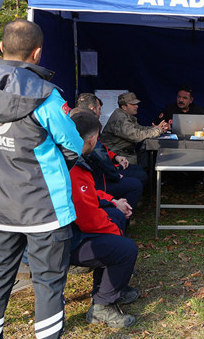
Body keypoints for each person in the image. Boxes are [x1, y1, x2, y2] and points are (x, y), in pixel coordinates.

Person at [0, 19, 83, 339]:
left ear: (2, 48)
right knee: (48, 284)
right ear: (37, 53)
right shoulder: (46, 97)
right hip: (44, 209)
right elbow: (73, 144)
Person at [68, 111, 140, 329]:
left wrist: (113, 201)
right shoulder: (74, 166)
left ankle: (112, 287)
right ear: (92, 139)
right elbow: (89, 219)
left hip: (65, 231)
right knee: (125, 248)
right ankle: (102, 307)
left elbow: (88, 193)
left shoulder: (67, 154)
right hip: (63, 240)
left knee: (117, 217)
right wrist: (114, 231)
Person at [74, 95, 145, 206]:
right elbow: (98, 154)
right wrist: (115, 174)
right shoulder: (88, 125)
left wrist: (115, 156)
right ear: (93, 109)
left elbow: (101, 149)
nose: (100, 113)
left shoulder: (74, 120)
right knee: (136, 182)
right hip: (96, 179)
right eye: (99, 109)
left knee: (139, 171)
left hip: (100, 172)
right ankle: (123, 212)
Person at [101, 92, 167, 183]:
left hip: (125, 154)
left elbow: (139, 129)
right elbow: (136, 135)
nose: (136, 106)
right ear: (124, 107)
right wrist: (157, 131)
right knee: (142, 174)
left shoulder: (126, 116)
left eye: (136, 104)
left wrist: (155, 128)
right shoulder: (120, 118)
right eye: (133, 104)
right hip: (117, 156)